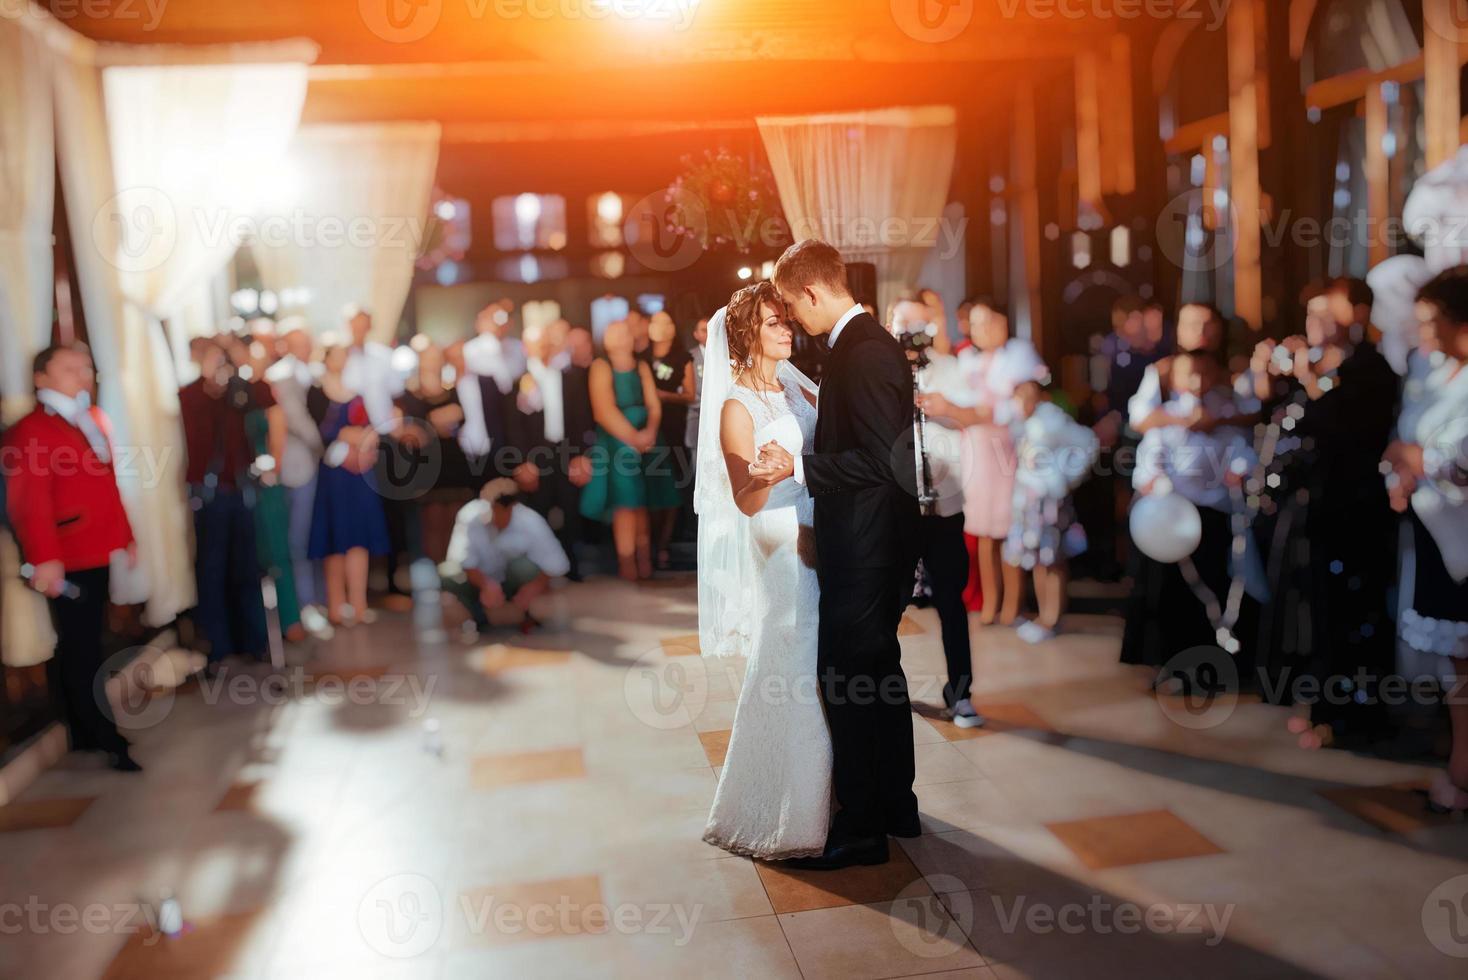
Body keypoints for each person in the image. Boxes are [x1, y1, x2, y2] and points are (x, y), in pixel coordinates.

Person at [759, 239, 922, 870]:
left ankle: (862, 830)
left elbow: (884, 460)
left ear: (812, 293)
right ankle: (895, 806)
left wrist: (799, 464)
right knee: (880, 676)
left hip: (868, 548)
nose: (796, 322)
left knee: (850, 682)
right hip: (873, 542)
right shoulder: (860, 345)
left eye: (795, 309)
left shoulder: (866, 349)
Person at [699, 284, 831, 858]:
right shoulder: (735, 405)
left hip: (819, 524)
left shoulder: (799, 383)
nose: (787, 331)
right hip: (779, 539)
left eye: (786, 322)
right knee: (791, 652)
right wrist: (774, 474)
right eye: (774, 324)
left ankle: (828, 794)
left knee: (819, 654)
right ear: (748, 333)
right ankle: (791, 813)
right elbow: (746, 500)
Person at [1251, 279, 1400, 749]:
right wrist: (1272, 378)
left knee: (1354, 610)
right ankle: (1316, 703)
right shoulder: (1314, 368)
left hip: (1354, 510)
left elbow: (1348, 430)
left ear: (1355, 314)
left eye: (1326, 312)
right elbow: (1279, 420)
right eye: (1311, 313)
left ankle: (1353, 715)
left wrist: (1310, 380)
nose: (1315, 322)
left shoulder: (1368, 368)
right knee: (1310, 607)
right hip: (1309, 508)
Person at [4, 345, 140, 771]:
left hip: (93, 547)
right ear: (41, 378)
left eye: (85, 368)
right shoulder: (32, 430)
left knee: (82, 641)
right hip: (67, 554)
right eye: (69, 369)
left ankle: (83, 729)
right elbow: (28, 502)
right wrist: (45, 558)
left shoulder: (86, 418)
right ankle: (103, 733)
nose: (81, 375)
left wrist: (125, 535)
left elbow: (103, 484)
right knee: (84, 646)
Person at [1384, 268, 1468, 813]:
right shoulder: (1433, 371)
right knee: (1458, 665)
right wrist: (1402, 469)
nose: (1423, 334)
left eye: (1431, 322)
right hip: (1442, 540)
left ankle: (1462, 774)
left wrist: (1422, 460)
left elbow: (1458, 459)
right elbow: (1405, 435)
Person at [1122, 349, 1258, 670]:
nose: (1196, 381)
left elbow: (1239, 448)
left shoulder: (1224, 415)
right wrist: (1154, 478)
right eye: (1188, 374)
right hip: (1172, 518)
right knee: (1173, 593)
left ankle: (1213, 659)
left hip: (1212, 516)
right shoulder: (1165, 418)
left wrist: (1239, 469)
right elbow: (1151, 455)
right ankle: (1171, 659)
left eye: (1203, 373)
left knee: (1213, 585)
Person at [922, 299, 1047, 622]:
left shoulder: (1018, 356)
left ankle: (1013, 604)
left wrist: (955, 409)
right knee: (982, 532)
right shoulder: (966, 362)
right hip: (976, 450)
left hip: (1006, 451)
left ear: (1003, 322)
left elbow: (1014, 406)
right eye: (974, 324)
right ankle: (990, 603)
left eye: (987, 322)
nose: (981, 330)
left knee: (1008, 530)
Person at [891, 293, 983, 729]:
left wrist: (948, 408)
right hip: (899, 502)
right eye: (902, 324)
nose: (910, 333)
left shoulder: (950, 368)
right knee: (889, 604)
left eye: (918, 324)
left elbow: (975, 416)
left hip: (945, 502)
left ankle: (961, 693)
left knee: (951, 600)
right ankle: (885, 693)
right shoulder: (883, 371)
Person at [178, 337, 272, 667]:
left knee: (247, 568)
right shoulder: (190, 395)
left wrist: (240, 373)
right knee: (213, 570)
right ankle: (218, 646)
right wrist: (209, 386)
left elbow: (263, 397)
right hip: (212, 492)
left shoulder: (238, 392)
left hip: (241, 489)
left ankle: (253, 641)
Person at [579, 320, 679, 580]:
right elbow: (603, 410)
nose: (620, 335)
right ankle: (627, 563)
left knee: (644, 501)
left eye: (623, 331)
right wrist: (633, 437)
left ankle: (645, 559)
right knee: (625, 502)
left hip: (647, 438)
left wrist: (649, 432)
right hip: (617, 441)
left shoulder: (641, 365)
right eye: (613, 331)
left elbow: (654, 404)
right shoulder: (601, 366)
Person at [1003, 380, 1099, 644]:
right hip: (1030, 500)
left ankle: (1052, 617)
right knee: (1037, 559)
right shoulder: (1026, 421)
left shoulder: (1051, 420)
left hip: (1048, 500)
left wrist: (1064, 478)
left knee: (1052, 559)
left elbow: (1088, 442)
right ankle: (1043, 616)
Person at [308, 339, 391, 626]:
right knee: (336, 538)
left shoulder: (356, 394)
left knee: (359, 537)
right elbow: (319, 433)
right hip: (334, 475)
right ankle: (336, 604)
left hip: (357, 475)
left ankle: (359, 602)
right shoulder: (317, 393)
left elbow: (370, 429)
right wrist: (345, 440)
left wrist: (364, 451)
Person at [507, 323, 595, 579]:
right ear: (526, 347)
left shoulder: (569, 377)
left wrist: (582, 455)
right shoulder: (518, 382)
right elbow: (514, 426)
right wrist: (523, 462)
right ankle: (538, 570)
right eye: (537, 343)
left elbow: (581, 420)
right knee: (537, 513)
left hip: (565, 451)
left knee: (570, 511)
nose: (543, 348)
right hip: (534, 456)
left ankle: (571, 567)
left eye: (546, 343)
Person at [439, 478, 569, 635]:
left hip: (511, 580)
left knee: (526, 568)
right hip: (479, 579)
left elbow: (556, 563)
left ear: (513, 508)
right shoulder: (470, 516)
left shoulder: (529, 520)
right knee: (448, 573)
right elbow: (462, 559)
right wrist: (485, 585)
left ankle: (527, 616)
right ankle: (478, 618)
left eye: (501, 510)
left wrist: (533, 588)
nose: (496, 515)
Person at [268, 320, 327, 632]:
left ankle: (315, 599)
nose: (305, 347)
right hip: (296, 465)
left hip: (312, 464)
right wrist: (323, 446)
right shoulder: (282, 374)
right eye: (299, 341)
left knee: (311, 535)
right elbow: (294, 417)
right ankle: (301, 604)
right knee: (296, 539)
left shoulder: (311, 372)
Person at [647, 311, 696, 568]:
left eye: (666, 321)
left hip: (674, 428)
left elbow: (689, 394)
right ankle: (649, 546)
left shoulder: (682, 358)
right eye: (654, 321)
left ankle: (669, 543)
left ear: (672, 329)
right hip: (647, 430)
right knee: (650, 486)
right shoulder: (641, 357)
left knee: (675, 485)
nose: (659, 326)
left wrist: (662, 396)